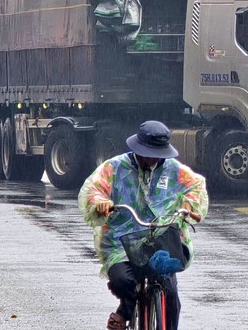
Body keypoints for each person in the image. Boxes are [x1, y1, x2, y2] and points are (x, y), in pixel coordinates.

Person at [78, 120, 209, 330]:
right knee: (123, 281)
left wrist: (189, 203)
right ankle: (126, 310)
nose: (154, 158)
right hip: (122, 240)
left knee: (171, 293)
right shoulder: (115, 167)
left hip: (162, 237)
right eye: (150, 153)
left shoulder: (174, 170)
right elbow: (93, 189)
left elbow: (195, 187)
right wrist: (100, 202)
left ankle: (131, 314)